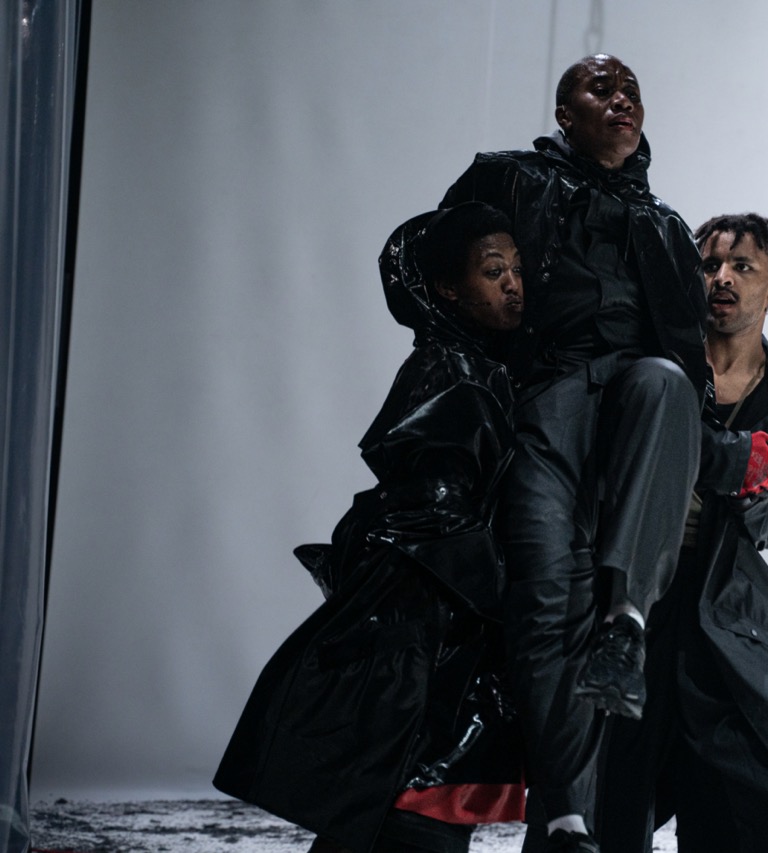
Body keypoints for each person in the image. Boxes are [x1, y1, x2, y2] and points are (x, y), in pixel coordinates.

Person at [440, 55, 754, 853]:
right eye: (601, 89)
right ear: (565, 113)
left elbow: (686, 362)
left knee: (661, 379)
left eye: (632, 91)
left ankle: (628, 619)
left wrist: (718, 453)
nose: (621, 100)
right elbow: (450, 279)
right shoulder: (508, 179)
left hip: (636, 418)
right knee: (547, 602)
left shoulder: (664, 226)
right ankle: (565, 819)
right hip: (542, 407)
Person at [214, 203, 527, 853]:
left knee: (398, 798)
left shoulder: (477, 363)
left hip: (436, 612)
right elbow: (433, 502)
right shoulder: (448, 366)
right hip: (424, 614)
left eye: (517, 270)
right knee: (412, 795)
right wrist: (511, 595)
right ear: (448, 288)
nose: (512, 284)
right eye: (494, 270)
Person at [596, 214, 768, 853]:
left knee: (754, 794)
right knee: (612, 788)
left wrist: (751, 494)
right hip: (632, 596)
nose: (721, 278)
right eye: (709, 265)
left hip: (724, 607)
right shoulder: (653, 365)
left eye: (742, 267)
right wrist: (725, 459)